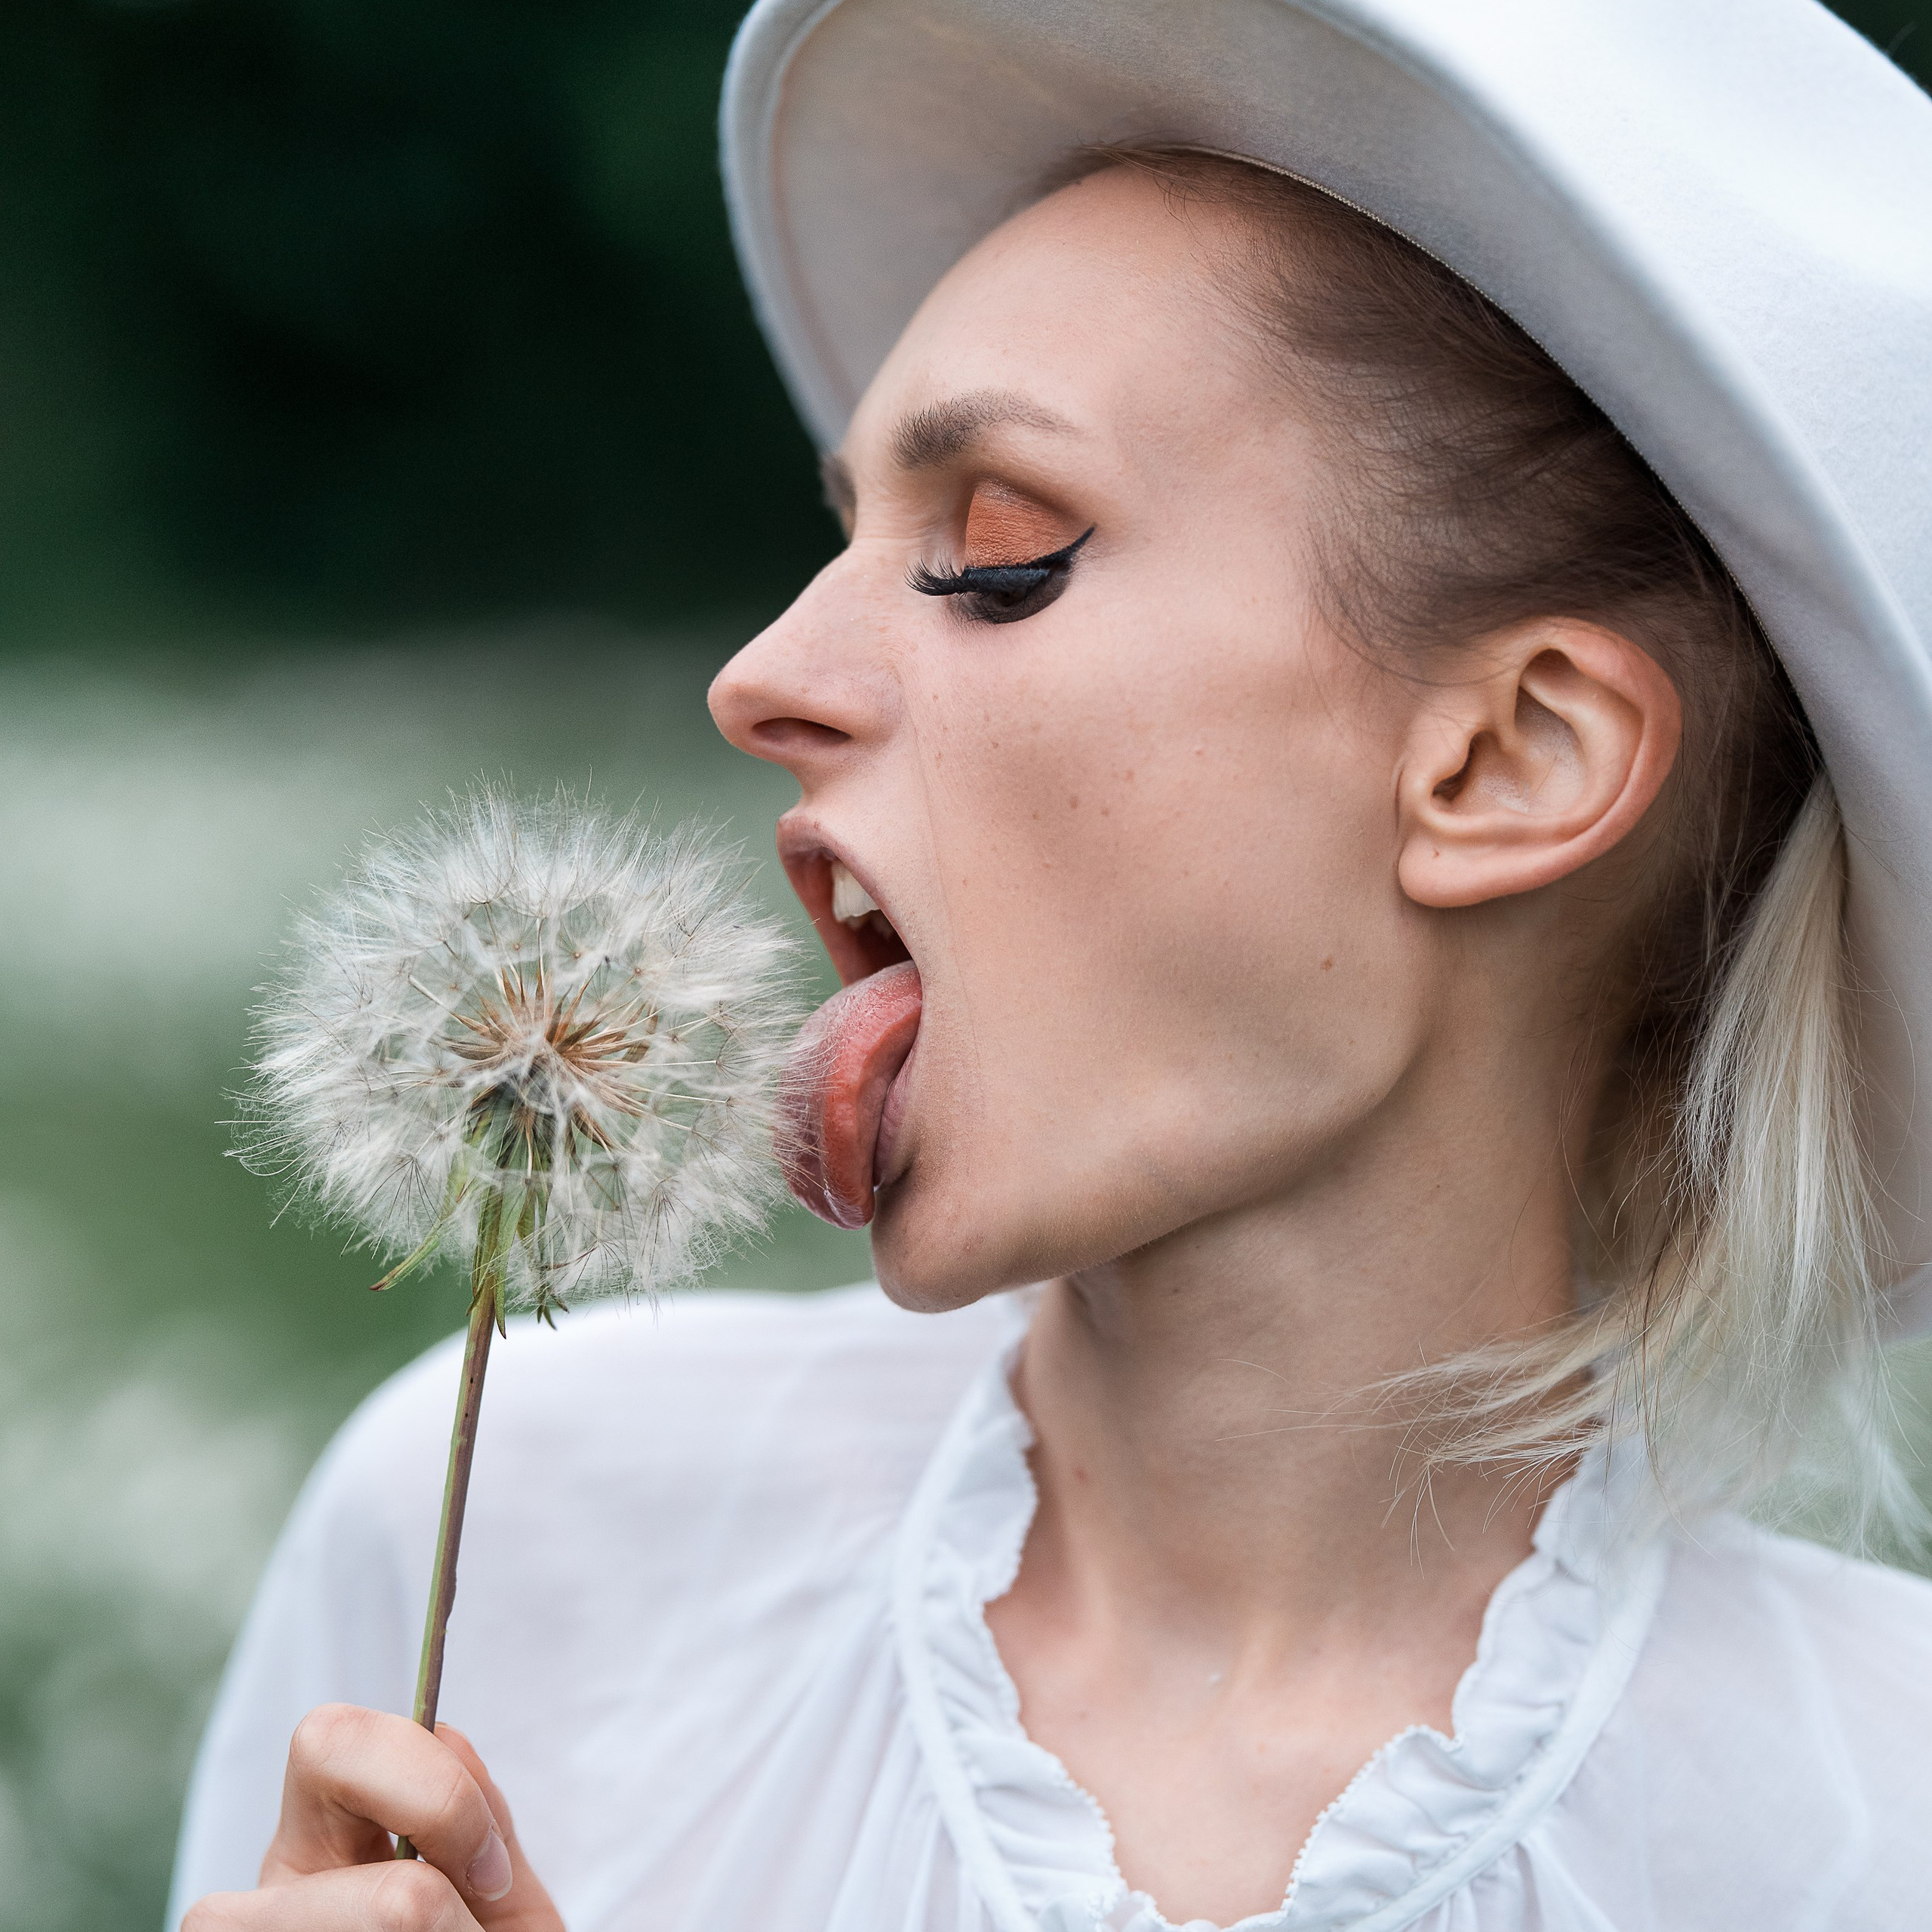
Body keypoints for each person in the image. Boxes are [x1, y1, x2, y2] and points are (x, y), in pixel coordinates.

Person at [173, 2, 1932, 1927]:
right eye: (835, 533)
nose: (757, 673)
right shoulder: (506, 1532)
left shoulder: (1870, 1825)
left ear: (1507, 761)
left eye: (998, 551)